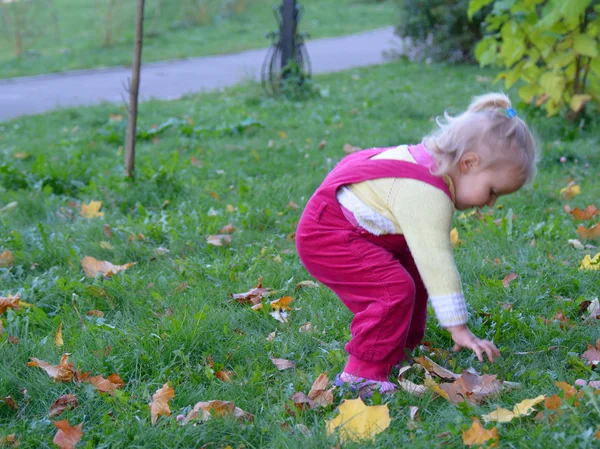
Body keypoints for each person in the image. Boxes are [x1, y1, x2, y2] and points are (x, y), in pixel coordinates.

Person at [295, 93, 538, 395]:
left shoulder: (431, 166)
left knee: (414, 276)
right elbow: (437, 262)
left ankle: (397, 352)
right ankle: (361, 374)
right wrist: (458, 327)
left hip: (357, 229)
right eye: (492, 191)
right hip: (327, 235)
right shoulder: (427, 193)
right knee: (392, 290)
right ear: (469, 163)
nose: (490, 203)